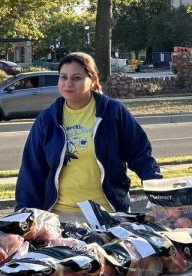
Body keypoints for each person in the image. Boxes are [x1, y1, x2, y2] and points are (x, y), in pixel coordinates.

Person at [15, 52, 161, 221]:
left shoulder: (113, 112)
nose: (68, 83)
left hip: (108, 212)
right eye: (63, 77)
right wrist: (23, 215)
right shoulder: (47, 119)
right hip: (59, 215)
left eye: (76, 78)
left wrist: (159, 192)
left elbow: (140, 155)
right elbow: (31, 170)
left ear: (92, 80)